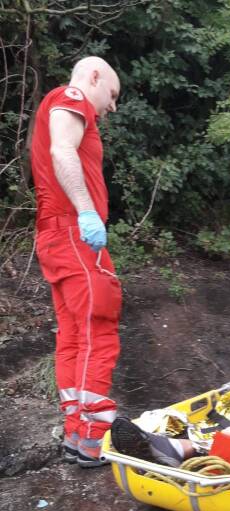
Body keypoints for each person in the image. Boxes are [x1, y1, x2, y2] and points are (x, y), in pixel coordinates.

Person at [30, 56, 122, 468]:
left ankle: (75, 433)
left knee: (72, 334)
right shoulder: (71, 97)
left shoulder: (63, 105)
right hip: (73, 231)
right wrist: (86, 212)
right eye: (113, 95)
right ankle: (91, 439)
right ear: (95, 77)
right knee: (97, 331)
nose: (113, 106)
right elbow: (62, 148)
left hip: (55, 232)